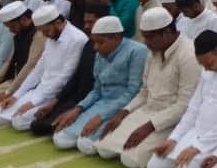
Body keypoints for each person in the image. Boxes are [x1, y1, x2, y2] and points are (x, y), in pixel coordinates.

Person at [95, 7, 201, 168]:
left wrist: (149, 127)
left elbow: (184, 105)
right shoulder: (154, 51)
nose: (145, 42)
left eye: (149, 37)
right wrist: (124, 112)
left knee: (130, 159)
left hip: (170, 119)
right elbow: (144, 91)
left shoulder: (188, 54)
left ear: (166, 32)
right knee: (104, 149)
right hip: (147, 111)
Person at [146, 30, 217, 168]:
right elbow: (193, 108)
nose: (207, 70)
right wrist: (173, 139)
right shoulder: (208, 69)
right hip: (195, 132)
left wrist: (198, 147)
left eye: (209, 64)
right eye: (203, 66)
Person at [53, 15, 147, 151]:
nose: (95, 47)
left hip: (124, 107)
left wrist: (102, 117)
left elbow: (133, 92)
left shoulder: (137, 51)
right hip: (101, 104)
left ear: (115, 38)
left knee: (85, 144)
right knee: (60, 138)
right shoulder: (100, 53)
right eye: (94, 42)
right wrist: (78, 109)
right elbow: (97, 90)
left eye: (100, 42)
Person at [0, 4, 89, 130]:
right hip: (39, 90)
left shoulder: (77, 39)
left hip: (57, 95)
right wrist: (16, 96)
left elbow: (65, 78)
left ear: (58, 23)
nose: (44, 35)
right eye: (41, 31)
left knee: (19, 122)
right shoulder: (51, 36)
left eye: (46, 31)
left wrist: (33, 103)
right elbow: (38, 70)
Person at [0, 1, 45, 118]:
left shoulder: (39, 34)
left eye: (12, 26)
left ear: (24, 19)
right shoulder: (19, 35)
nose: (10, 30)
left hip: (31, 83)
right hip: (15, 80)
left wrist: (8, 92)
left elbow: (30, 65)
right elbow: (9, 62)